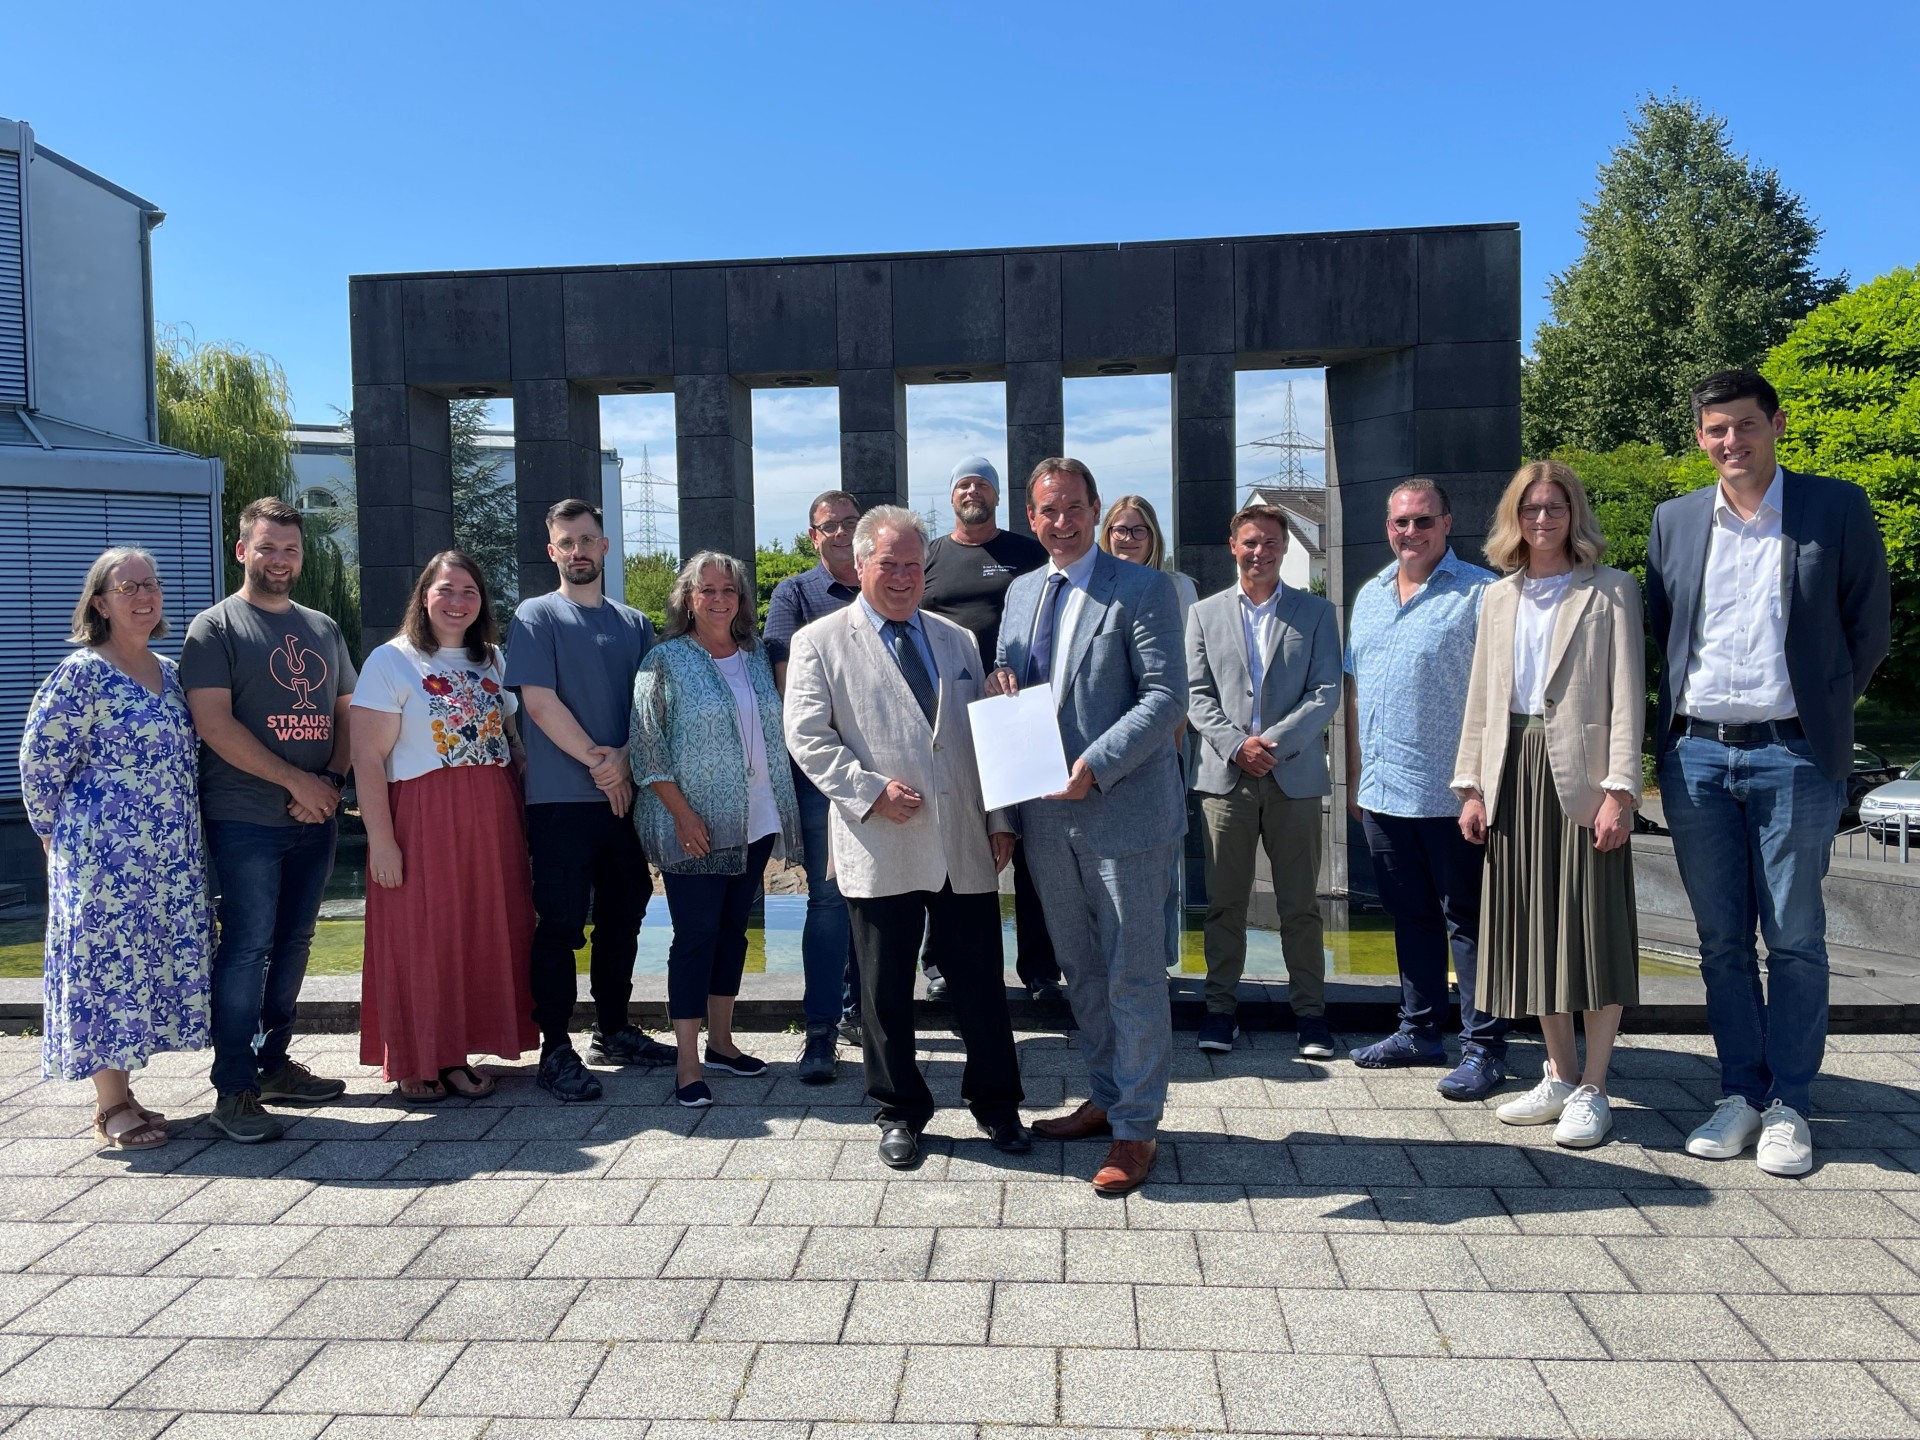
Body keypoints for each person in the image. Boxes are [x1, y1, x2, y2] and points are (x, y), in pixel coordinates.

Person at [1649, 369, 1891, 1176]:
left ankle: (1791, 1101)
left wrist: (1820, 708)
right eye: (1716, 430)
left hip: (1793, 753)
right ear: (1700, 437)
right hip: (1696, 755)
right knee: (1720, 941)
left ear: (1776, 423)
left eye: (1745, 425)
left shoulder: (1835, 507)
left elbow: (1869, 629)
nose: (1732, 442)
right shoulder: (1675, 521)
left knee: (1793, 936)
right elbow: (1664, 631)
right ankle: (1738, 1093)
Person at [785, 507, 1027, 1168]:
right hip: (880, 838)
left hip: (961, 841)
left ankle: (998, 1105)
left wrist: (1001, 818)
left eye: (913, 564)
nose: (901, 576)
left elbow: (983, 739)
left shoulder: (955, 640)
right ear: (859, 564)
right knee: (884, 991)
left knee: (980, 985)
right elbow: (806, 737)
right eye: (888, 563)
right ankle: (899, 1110)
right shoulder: (820, 641)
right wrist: (868, 791)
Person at [989, 457, 1187, 1195]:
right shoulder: (1019, 594)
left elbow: (1167, 696)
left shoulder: (1142, 586)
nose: (1060, 522)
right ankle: (1107, 1094)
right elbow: (1011, 694)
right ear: (1031, 517)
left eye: (1073, 507)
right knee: (1082, 972)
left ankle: (1137, 1129)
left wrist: (1096, 764)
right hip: (1045, 820)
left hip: (1125, 813)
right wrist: (998, 690)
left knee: (1134, 975)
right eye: (1046, 511)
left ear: (1094, 508)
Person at [1453, 461, 1645, 1148]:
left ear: (1573, 513)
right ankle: (1559, 1074)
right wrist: (1471, 787)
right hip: (1512, 771)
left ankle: (1595, 1085)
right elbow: (1482, 697)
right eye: (1530, 508)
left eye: (1554, 507)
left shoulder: (1611, 591)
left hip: (1581, 779)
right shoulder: (1497, 597)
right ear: (1515, 516)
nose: (1542, 519)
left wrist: (1622, 791)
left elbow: (1627, 695)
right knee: (1534, 932)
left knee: (1590, 932)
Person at [19, 548, 212, 1149]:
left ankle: (125, 1093)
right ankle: (110, 1105)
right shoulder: (82, 673)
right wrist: (53, 835)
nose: (143, 596)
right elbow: (38, 761)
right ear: (100, 603)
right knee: (107, 969)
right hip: (103, 858)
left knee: (141, 969)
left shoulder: (174, 672)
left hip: (169, 855)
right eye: (127, 587)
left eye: (151, 585)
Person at [182, 498, 356, 1143]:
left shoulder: (323, 628)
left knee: (294, 946)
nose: (279, 560)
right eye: (267, 548)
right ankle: (233, 1090)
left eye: (289, 550)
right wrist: (296, 781)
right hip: (246, 818)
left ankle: (274, 1064)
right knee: (247, 948)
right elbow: (214, 725)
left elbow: (348, 716)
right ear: (242, 551)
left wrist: (331, 783)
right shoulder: (215, 628)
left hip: (316, 815)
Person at [351, 551, 538, 1102]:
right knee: (421, 933)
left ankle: (454, 1053)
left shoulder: (493, 660)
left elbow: (511, 737)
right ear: (424, 595)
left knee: (474, 930)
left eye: (469, 592)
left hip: (492, 812)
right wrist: (381, 841)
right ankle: (415, 1056)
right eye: (446, 590)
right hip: (424, 814)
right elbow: (366, 758)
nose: (457, 603)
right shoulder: (392, 661)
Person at [1344, 481, 1508, 1100]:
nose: (1409, 533)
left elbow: (1500, 699)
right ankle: (1419, 1030)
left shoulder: (1481, 595)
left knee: (1467, 920)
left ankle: (1484, 1046)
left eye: (1421, 522)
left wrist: (1480, 789)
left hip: (1453, 795)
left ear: (1447, 522)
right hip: (1385, 791)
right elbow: (1358, 695)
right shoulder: (1369, 596)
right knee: (1409, 915)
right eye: (1399, 523)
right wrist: (1359, 777)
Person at [505, 498, 670, 1105]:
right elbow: (539, 703)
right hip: (560, 802)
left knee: (624, 919)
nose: (578, 550)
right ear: (553, 552)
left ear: (605, 547)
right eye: (566, 542)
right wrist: (604, 766)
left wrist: (626, 760)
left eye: (587, 540)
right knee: (560, 925)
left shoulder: (633, 623)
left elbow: (648, 707)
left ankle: (615, 1030)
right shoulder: (535, 615)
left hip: (625, 799)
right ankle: (555, 1048)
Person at [631, 552, 802, 1108]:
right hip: (694, 824)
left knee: (734, 933)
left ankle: (723, 1043)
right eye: (706, 590)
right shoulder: (665, 661)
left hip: (753, 819)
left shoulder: (755, 659)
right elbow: (647, 746)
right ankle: (686, 1063)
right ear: (687, 599)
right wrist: (682, 813)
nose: (719, 599)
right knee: (696, 937)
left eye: (728, 590)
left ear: (741, 600)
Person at [1185, 504, 1340, 1056]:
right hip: (1225, 777)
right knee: (1225, 903)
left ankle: (1311, 1016)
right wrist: (1235, 745)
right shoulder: (1202, 615)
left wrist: (1270, 746)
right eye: (1250, 542)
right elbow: (1195, 694)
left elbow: (1326, 692)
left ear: (1283, 546)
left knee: (1300, 904)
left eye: (1270, 542)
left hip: (1291, 775)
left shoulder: (1316, 613)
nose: (1260, 552)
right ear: (1234, 546)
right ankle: (1220, 1010)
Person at [920, 455, 1064, 1018]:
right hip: (948, 716)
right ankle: (940, 965)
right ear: (952, 495)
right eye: (962, 482)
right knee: (949, 838)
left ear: (998, 496)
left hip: (1018, 715)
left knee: (1030, 846)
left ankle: (1040, 970)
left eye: (981, 481)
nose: (971, 489)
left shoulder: (1028, 553)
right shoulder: (930, 556)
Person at [764, 490, 864, 1079]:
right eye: (832, 525)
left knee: (883, 896)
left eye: (853, 522)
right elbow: (788, 690)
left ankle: (866, 1015)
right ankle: (821, 1029)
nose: (843, 532)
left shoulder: (888, 585)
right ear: (813, 535)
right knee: (828, 899)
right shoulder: (795, 595)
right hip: (823, 771)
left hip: (887, 767)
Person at [1098, 493, 1202, 975]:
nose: (1128, 538)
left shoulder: (1178, 588)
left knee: (1160, 863)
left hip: (1163, 741)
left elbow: (1178, 680)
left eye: (1138, 530)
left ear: (1153, 537)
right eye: (1120, 529)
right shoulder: (1092, 585)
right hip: (1100, 745)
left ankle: (1156, 963)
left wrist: (1172, 749)